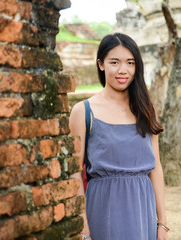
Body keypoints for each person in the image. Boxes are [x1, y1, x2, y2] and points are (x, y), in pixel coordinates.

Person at [69, 33, 169, 240]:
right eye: (114, 62)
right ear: (101, 64)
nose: (123, 70)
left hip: (144, 211)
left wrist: (162, 223)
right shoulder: (83, 111)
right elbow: (74, 173)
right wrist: (84, 229)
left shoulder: (146, 109)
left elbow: (156, 168)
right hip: (104, 210)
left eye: (130, 63)